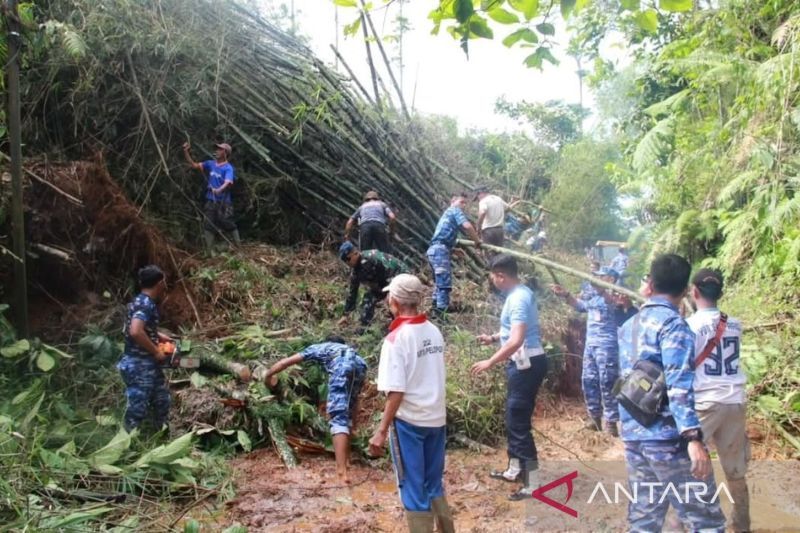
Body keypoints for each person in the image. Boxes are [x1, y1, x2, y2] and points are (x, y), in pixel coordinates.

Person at [617, 254, 725, 532]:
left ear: (650, 283)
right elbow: (678, 385)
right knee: (706, 519)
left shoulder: (629, 326)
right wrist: (692, 438)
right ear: (686, 290)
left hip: (634, 434)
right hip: (667, 438)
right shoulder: (673, 326)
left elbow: (621, 380)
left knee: (644, 518)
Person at [369, 274, 454, 533]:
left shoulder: (396, 340)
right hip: (436, 419)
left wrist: (381, 430)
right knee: (433, 484)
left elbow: (395, 392)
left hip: (410, 423)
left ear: (394, 301)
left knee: (413, 487)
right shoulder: (433, 331)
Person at [471, 255, 547, 501]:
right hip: (522, 364)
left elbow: (517, 340)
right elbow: (511, 331)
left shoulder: (519, 299)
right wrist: (493, 338)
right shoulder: (517, 295)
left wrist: (490, 361)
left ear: (501, 276)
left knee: (519, 423)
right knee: (513, 418)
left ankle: (533, 483)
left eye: (493, 276)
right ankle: (514, 470)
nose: (492, 281)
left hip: (527, 365)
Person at [686, 269, 749, 532]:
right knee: (735, 469)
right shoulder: (735, 323)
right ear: (720, 292)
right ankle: (742, 523)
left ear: (694, 292)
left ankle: (693, 523)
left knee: (689, 464)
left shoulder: (689, 326)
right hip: (735, 401)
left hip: (705, 402)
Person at [264, 336, 366, 484]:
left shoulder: (321, 347)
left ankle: (341, 473)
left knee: (337, 416)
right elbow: (355, 402)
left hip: (342, 365)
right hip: (360, 364)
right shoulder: (348, 350)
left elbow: (284, 363)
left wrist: (268, 375)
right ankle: (347, 461)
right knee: (347, 412)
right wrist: (354, 423)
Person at [551, 266, 620, 436]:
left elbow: (613, 302)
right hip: (591, 345)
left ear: (609, 279)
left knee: (607, 382)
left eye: (599, 276)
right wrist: (566, 295)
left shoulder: (617, 294)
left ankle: (611, 422)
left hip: (607, 346)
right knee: (589, 379)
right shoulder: (594, 298)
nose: (595, 279)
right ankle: (594, 418)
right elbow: (580, 306)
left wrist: (602, 289)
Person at [118, 265, 173, 433]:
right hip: (139, 364)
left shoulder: (140, 301)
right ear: (159, 283)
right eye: (163, 281)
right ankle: (126, 444)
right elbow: (135, 331)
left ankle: (160, 436)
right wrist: (156, 351)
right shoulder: (145, 305)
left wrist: (158, 336)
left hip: (148, 365)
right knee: (137, 408)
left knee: (162, 400)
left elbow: (137, 326)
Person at [426, 193, 481, 317]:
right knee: (444, 284)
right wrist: (477, 241)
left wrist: (452, 250)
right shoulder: (454, 210)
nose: (464, 205)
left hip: (436, 250)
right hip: (439, 251)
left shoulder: (447, 214)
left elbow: (442, 237)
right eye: (462, 202)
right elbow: (467, 226)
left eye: (465, 203)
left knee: (439, 284)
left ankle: (435, 310)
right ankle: (441, 314)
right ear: (453, 201)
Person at [182, 141, 240, 250]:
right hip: (210, 200)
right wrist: (186, 152)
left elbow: (228, 182)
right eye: (217, 149)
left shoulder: (228, 168)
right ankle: (209, 252)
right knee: (208, 224)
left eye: (220, 149)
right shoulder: (210, 163)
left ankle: (238, 246)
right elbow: (194, 165)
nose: (217, 151)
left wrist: (219, 190)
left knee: (227, 222)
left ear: (225, 153)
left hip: (223, 202)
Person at [338, 242, 408, 328]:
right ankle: (364, 326)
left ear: (355, 253)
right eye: (344, 261)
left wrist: (388, 291)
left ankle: (400, 324)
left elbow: (389, 272)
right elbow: (353, 292)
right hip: (383, 283)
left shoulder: (371, 258)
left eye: (348, 259)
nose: (347, 263)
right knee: (368, 297)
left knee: (392, 299)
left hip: (400, 277)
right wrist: (346, 315)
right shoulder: (356, 271)